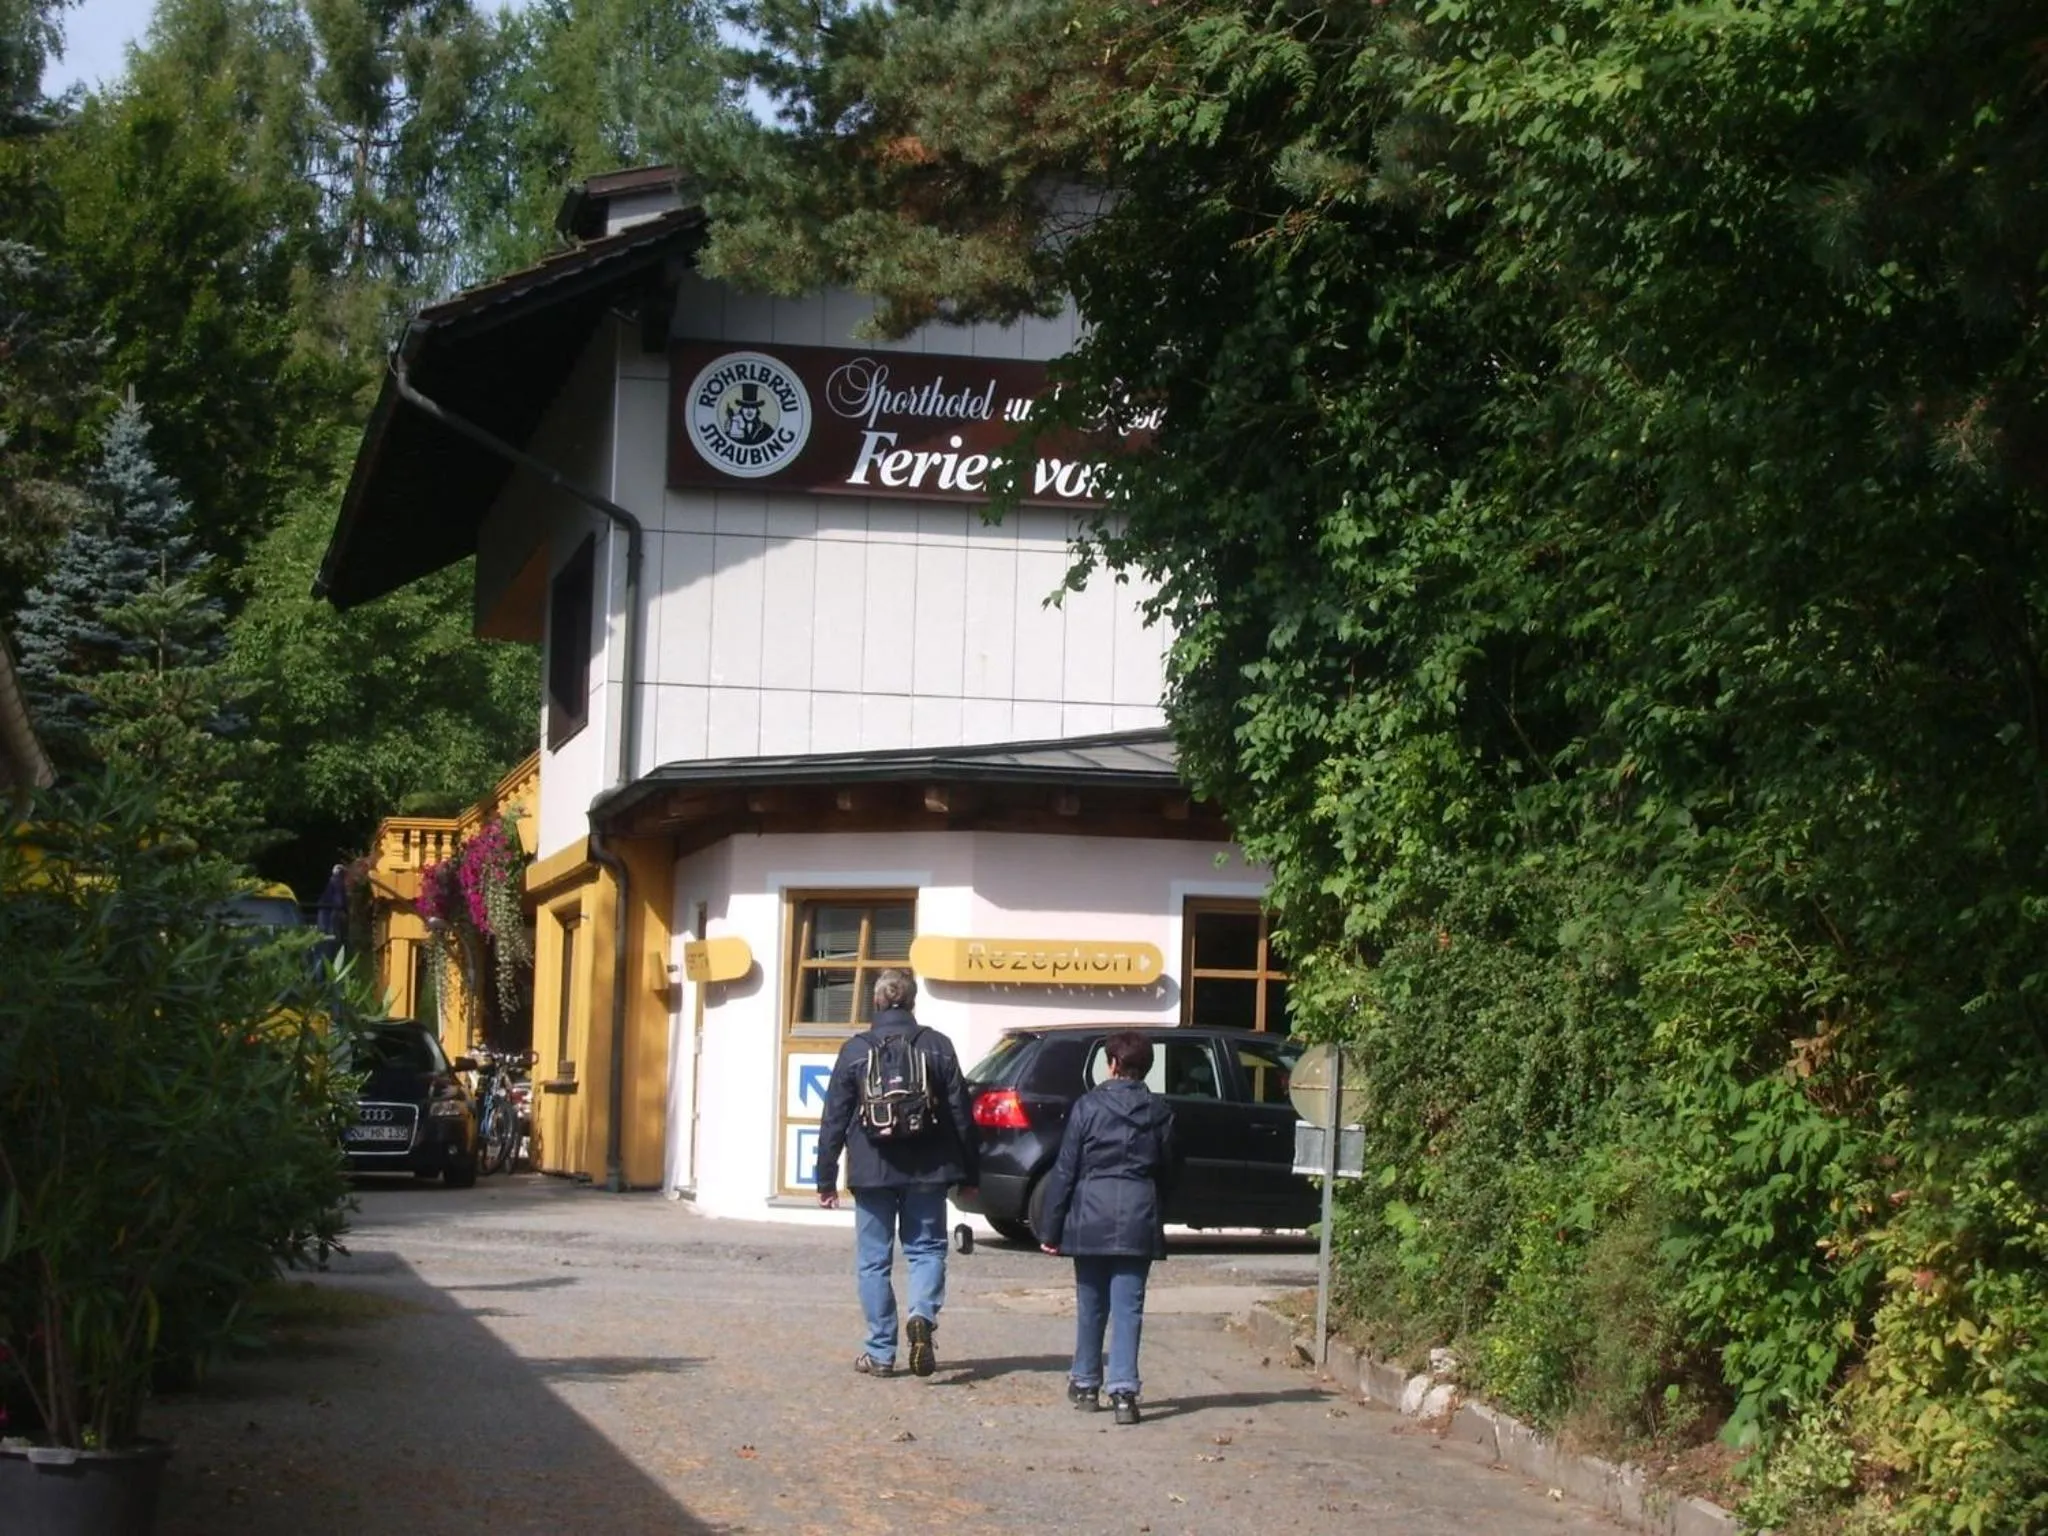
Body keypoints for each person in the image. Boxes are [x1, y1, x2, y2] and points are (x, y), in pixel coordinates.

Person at [814, 968, 978, 1379]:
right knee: (926, 1249)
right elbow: (962, 1113)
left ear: (877, 1002)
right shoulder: (937, 1046)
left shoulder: (855, 1050)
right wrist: (970, 1171)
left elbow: (833, 1117)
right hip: (929, 1166)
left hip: (872, 1168)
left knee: (874, 1261)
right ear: (912, 1001)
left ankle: (881, 1352)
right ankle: (921, 1314)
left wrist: (825, 1177)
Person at [1034, 1030, 1178, 1425]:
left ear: (1112, 1064)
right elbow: (1168, 1170)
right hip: (1137, 1215)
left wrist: (1051, 1228)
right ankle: (1124, 1394)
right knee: (1129, 1309)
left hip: (1089, 1216)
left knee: (1091, 1305)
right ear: (1145, 1067)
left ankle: (1084, 1384)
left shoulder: (1087, 1107)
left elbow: (1066, 1170)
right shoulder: (1159, 1111)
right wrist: (1156, 1207)